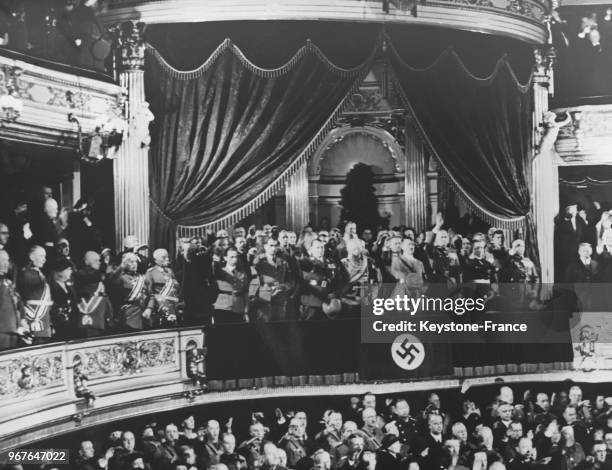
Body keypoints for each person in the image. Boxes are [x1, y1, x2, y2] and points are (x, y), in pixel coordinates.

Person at [18, 245, 53, 342]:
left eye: (45, 256)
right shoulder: (26, 274)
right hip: (33, 319)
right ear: (31, 257)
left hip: (44, 319)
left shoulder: (39, 273)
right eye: (41, 256)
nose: (44, 259)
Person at [254, 238, 294, 322]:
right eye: (271, 245)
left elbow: (290, 281)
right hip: (264, 299)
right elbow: (254, 281)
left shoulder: (283, 262)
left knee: (280, 325)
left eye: (275, 245)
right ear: (265, 246)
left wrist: (283, 287)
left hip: (280, 299)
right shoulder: (259, 261)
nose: (273, 248)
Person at [299, 239, 341, 320]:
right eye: (317, 248)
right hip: (313, 302)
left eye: (322, 247)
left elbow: (337, 280)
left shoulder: (330, 262)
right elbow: (306, 277)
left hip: (329, 302)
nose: (320, 250)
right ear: (310, 249)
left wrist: (334, 294)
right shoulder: (305, 262)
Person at [74, 251, 113, 336]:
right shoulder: (81, 275)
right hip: (88, 316)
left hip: (100, 316)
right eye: (95, 260)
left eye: (99, 260)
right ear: (86, 262)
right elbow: (89, 278)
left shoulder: (100, 275)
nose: (99, 262)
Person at [144, 249, 182, 327]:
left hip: (174, 307)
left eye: (167, 257)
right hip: (160, 308)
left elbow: (175, 289)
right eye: (163, 257)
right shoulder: (151, 272)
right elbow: (149, 293)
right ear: (155, 260)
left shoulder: (170, 271)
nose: (167, 259)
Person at [212, 247, 249, 324]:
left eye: (236, 257)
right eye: (231, 257)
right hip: (222, 307)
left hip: (238, 307)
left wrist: (246, 312)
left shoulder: (242, 273)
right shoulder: (220, 271)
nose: (234, 259)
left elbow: (245, 293)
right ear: (225, 258)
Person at [0, 250, 25, 350]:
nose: (6, 263)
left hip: (13, 329)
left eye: (7, 260)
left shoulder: (8, 282)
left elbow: (19, 302)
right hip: (2, 331)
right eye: (2, 260)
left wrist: (23, 318)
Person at [49, 257, 77, 341]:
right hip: (58, 326)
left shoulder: (69, 287)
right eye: (68, 269)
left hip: (71, 325)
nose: (71, 272)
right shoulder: (51, 287)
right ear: (59, 271)